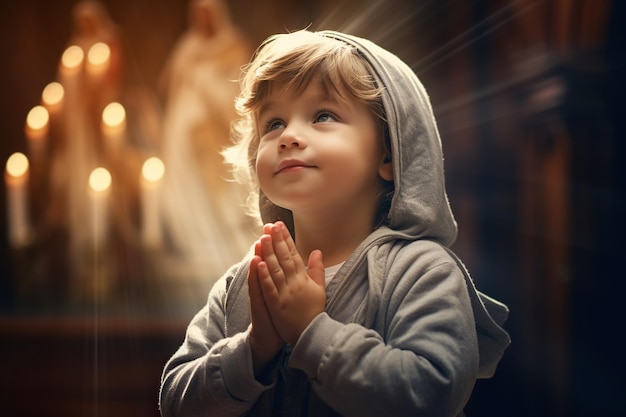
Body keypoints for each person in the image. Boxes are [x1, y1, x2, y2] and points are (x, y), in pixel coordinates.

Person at [159, 29, 511, 417]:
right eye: (273, 122)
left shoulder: (421, 271)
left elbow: (431, 392)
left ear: (390, 155)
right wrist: (254, 348)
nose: (289, 136)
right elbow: (175, 400)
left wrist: (312, 332)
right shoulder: (245, 280)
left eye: (323, 115)